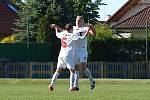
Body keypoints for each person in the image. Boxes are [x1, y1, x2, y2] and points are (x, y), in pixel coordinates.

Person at [48, 23, 89, 91]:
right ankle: (71, 87)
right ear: (70, 29)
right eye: (72, 29)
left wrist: (55, 29)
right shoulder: (72, 35)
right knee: (72, 71)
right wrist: (88, 31)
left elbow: (57, 34)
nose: (73, 30)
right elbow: (82, 37)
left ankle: (51, 85)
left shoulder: (63, 33)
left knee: (58, 70)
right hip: (68, 55)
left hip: (61, 54)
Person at [73, 16, 96, 90]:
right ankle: (76, 86)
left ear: (82, 21)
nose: (78, 21)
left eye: (80, 20)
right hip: (75, 50)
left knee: (83, 67)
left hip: (83, 50)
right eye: (77, 20)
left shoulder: (85, 28)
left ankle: (92, 81)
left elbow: (94, 33)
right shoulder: (72, 29)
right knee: (76, 68)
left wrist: (92, 27)